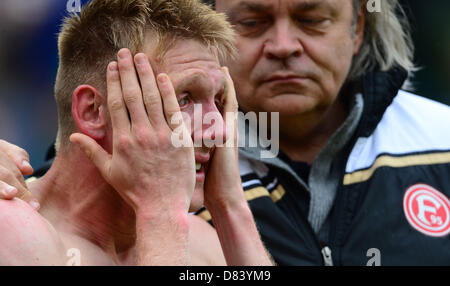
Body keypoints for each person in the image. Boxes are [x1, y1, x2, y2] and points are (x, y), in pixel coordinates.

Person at [0, 0, 272, 266]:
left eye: (219, 101)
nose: (219, 130)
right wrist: (159, 213)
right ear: (94, 111)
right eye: (185, 99)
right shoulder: (14, 228)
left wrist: (230, 208)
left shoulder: (203, 240)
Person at [189, 0, 450, 265]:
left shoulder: (442, 140)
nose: (283, 46)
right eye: (252, 23)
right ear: (206, 32)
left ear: (357, 28)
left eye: (312, 20)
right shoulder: (170, 164)